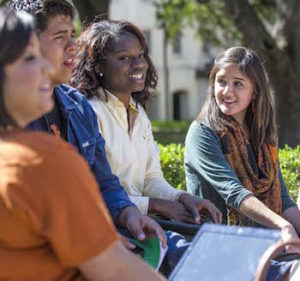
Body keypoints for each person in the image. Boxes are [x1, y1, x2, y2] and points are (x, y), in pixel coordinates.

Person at [0, 8, 165, 280]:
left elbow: (106, 182)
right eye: (30, 57)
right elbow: (115, 269)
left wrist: (126, 211)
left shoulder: (75, 107)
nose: (44, 66)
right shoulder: (42, 159)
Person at [71, 19, 222, 226]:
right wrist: (156, 205)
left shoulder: (139, 114)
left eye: (140, 55)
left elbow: (151, 178)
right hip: (107, 228)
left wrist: (181, 198)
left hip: (144, 222)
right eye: (124, 58)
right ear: (98, 66)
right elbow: (95, 192)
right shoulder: (89, 112)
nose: (139, 64)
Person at [184, 46, 300, 245]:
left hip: (265, 239)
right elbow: (235, 194)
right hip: (218, 243)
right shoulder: (202, 133)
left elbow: (282, 198)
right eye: (221, 82)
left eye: (238, 84)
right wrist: (284, 227)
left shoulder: (263, 135)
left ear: (255, 91)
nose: (227, 91)